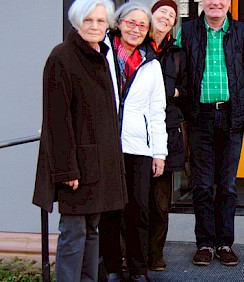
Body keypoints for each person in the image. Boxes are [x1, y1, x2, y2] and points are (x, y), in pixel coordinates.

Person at [32, 0, 128, 281]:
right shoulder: (61, 57)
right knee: (73, 234)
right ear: (76, 22)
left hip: (97, 164)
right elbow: (56, 121)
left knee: (92, 231)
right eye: (89, 20)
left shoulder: (100, 53)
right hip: (77, 167)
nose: (95, 26)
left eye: (100, 21)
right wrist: (66, 170)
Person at [176, 0, 244, 267]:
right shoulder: (187, 31)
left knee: (227, 185)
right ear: (201, 2)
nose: (215, 2)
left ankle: (225, 244)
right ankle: (204, 243)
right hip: (199, 117)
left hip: (232, 117)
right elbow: (177, 74)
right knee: (202, 185)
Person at [98, 2, 167, 281]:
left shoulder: (151, 64)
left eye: (142, 25)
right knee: (110, 212)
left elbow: (156, 109)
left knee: (140, 210)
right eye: (131, 23)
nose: (136, 29)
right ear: (119, 23)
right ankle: (113, 268)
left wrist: (158, 153)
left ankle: (138, 270)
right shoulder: (102, 53)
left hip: (139, 146)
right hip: (106, 144)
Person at [148, 0, 188, 272]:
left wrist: (172, 93)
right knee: (134, 198)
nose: (166, 16)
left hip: (167, 127)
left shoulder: (177, 53)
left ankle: (155, 255)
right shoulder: (136, 45)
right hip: (137, 130)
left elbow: (186, 88)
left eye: (171, 14)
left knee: (161, 202)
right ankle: (130, 255)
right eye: (162, 11)